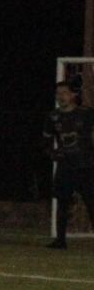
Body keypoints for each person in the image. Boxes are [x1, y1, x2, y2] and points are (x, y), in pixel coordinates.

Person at [42, 80, 94, 249]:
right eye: (58, 94)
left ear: (73, 95)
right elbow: (46, 141)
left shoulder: (86, 114)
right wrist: (53, 154)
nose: (60, 97)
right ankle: (60, 240)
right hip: (65, 167)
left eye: (64, 93)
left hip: (86, 166)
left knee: (91, 202)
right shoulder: (53, 117)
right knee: (62, 203)